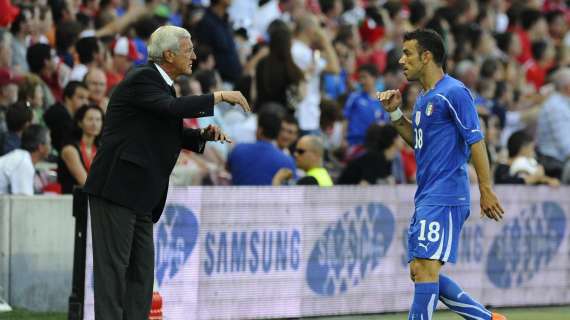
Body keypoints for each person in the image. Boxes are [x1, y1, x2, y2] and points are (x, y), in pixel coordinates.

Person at [83, 25, 250, 320]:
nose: (194, 57)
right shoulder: (143, 77)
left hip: (142, 195)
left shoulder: (163, 87)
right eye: (189, 51)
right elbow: (171, 109)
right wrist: (219, 96)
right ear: (169, 54)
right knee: (113, 273)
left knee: (142, 274)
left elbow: (165, 128)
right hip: (117, 188)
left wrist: (201, 137)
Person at [377, 29, 506, 320]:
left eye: (407, 53)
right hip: (428, 193)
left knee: (425, 268)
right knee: (419, 270)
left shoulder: (454, 92)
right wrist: (396, 115)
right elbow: (418, 141)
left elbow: (476, 139)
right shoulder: (424, 98)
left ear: (427, 56)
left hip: (447, 194)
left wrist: (486, 188)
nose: (401, 60)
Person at [228, 110, 296, 185]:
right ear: (277, 132)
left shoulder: (238, 149)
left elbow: (228, 170)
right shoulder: (287, 161)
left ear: (259, 130)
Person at [58, 104, 104, 194]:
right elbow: (85, 182)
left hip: (92, 200)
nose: (94, 124)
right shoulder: (70, 149)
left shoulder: (100, 148)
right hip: (70, 201)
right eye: (90, 119)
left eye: (98, 120)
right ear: (80, 123)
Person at [0, 124, 50, 195]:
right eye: (49, 143)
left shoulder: (21, 157)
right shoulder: (23, 163)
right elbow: (24, 202)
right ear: (41, 147)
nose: (50, 148)